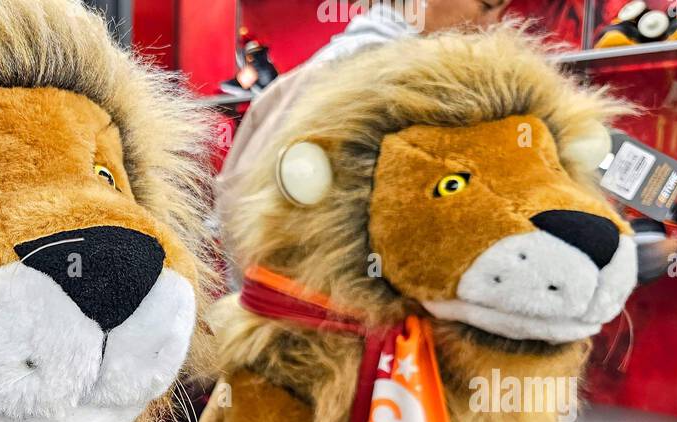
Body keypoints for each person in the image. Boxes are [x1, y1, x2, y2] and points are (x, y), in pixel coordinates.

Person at [216, 1, 511, 265]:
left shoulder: (304, 79)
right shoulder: (407, 89)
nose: (493, 23)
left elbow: (235, 213)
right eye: (488, 4)